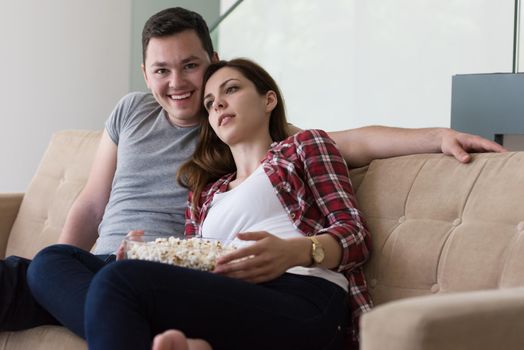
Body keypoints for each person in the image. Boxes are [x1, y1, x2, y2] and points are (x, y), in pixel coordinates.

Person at [1, 6, 503, 335]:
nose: (187, 88)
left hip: (290, 288)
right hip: (165, 275)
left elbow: (351, 157)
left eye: (205, 76)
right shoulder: (205, 187)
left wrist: (436, 135)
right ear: (146, 74)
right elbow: (96, 204)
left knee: (117, 285)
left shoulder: (295, 149)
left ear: (266, 98)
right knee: (45, 267)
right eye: (162, 71)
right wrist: (94, 252)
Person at [83, 57, 372, 350]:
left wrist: (296, 252)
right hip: (230, 297)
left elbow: (355, 234)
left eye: (230, 90)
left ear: (268, 100)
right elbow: (192, 271)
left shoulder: (303, 147)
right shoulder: (206, 193)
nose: (218, 104)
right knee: (58, 261)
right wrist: (147, 257)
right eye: (209, 103)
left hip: (303, 293)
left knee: (117, 281)